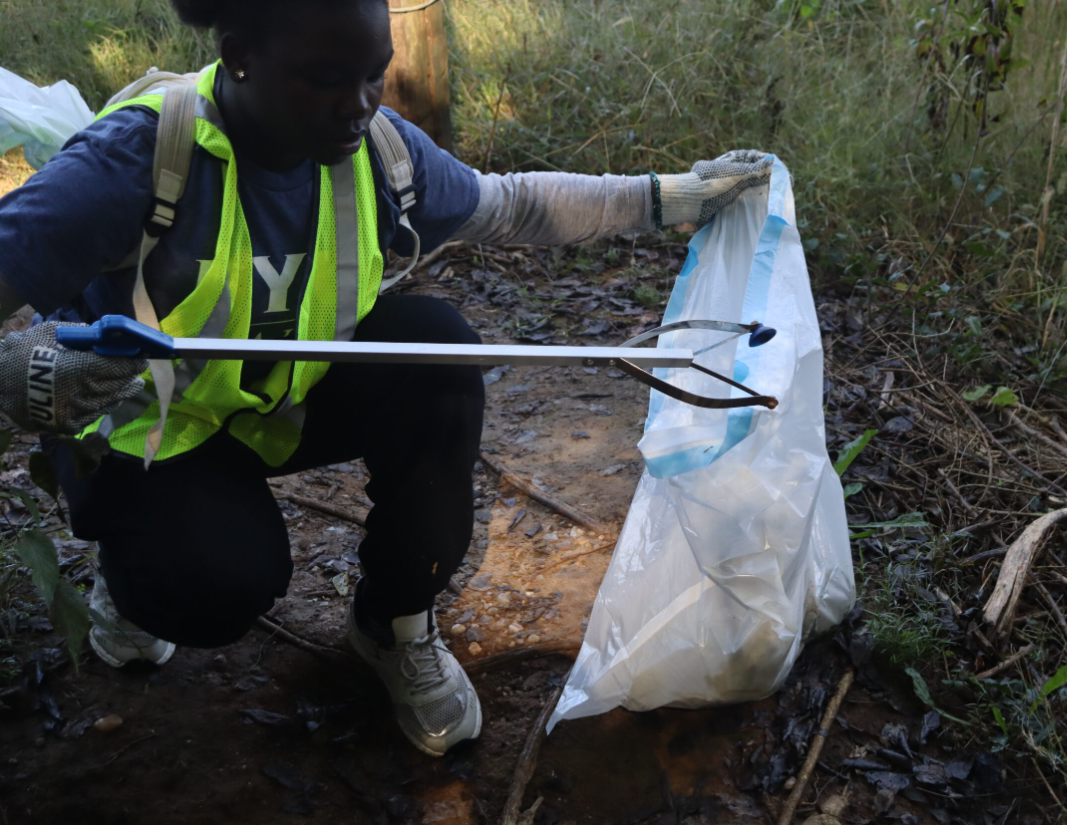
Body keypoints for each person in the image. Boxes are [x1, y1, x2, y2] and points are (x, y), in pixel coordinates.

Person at [0, 0, 771, 756]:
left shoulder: (376, 150)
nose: (360, 104)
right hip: (155, 429)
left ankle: (392, 623)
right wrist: (20, 366)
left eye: (374, 74)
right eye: (328, 78)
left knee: (439, 350)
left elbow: (510, 206)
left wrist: (670, 198)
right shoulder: (138, 159)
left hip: (282, 402)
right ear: (238, 55)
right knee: (211, 587)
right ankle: (131, 574)